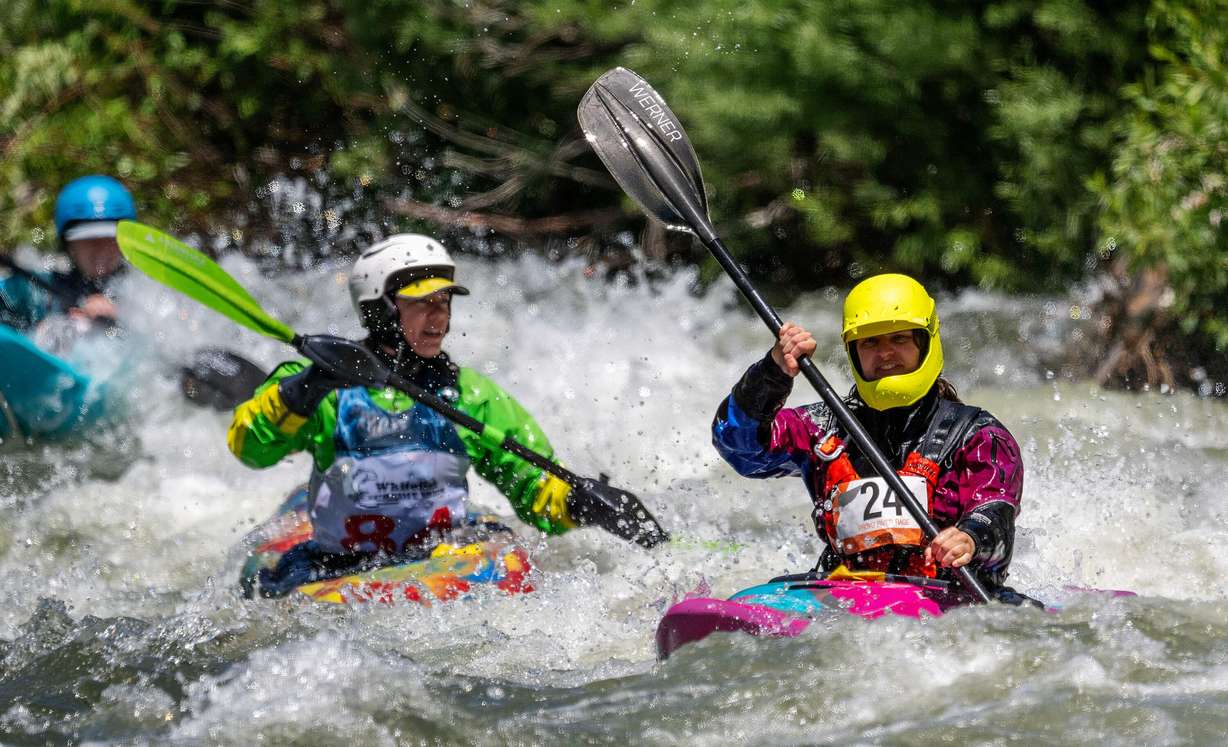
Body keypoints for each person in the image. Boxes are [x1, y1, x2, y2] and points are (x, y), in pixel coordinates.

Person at [229, 233, 667, 596]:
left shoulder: (469, 395)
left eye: (445, 302)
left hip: (442, 557)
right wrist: (308, 386)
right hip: (340, 565)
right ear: (380, 307)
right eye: (423, 303)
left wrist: (578, 502)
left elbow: (532, 483)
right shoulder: (322, 389)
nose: (439, 317)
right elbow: (250, 450)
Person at [712, 273, 1029, 602]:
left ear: (926, 342)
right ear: (853, 351)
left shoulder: (979, 436)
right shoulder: (824, 428)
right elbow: (739, 447)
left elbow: (996, 515)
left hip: (950, 602)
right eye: (871, 342)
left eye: (900, 339)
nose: (885, 354)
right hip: (848, 597)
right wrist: (773, 372)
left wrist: (971, 538)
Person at [0, 175, 135, 331]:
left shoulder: (142, 295)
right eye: (89, 240)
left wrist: (121, 318)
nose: (101, 249)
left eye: (110, 239)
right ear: (69, 245)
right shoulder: (36, 291)